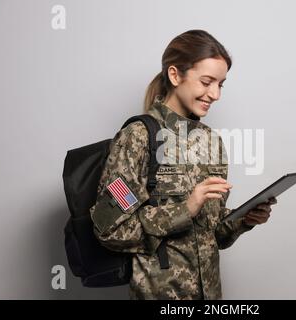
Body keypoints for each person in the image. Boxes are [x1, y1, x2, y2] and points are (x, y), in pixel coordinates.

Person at [89, 29, 277, 300]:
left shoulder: (211, 142)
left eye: (220, 84)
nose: (215, 94)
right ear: (175, 75)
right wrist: (185, 209)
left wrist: (243, 221)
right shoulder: (138, 138)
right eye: (206, 81)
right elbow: (109, 230)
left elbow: (214, 236)